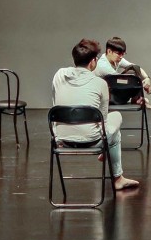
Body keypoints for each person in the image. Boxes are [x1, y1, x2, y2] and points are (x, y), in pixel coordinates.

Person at [52, 38, 139, 190]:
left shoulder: (59, 75)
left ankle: (111, 161)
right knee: (116, 118)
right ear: (93, 61)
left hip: (61, 138)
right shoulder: (100, 83)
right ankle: (118, 178)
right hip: (92, 140)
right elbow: (103, 119)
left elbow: (55, 101)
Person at [93, 36, 151, 108]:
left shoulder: (117, 59)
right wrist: (141, 85)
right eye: (119, 53)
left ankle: (138, 98)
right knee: (131, 79)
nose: (121, 56)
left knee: (133, 70)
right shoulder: (103, 65)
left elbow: (135, 67)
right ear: (109, 51)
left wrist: (147, 78)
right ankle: (138, 99)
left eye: (123, 54)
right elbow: (121, 83)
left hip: (113, 90)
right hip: (105, 98)